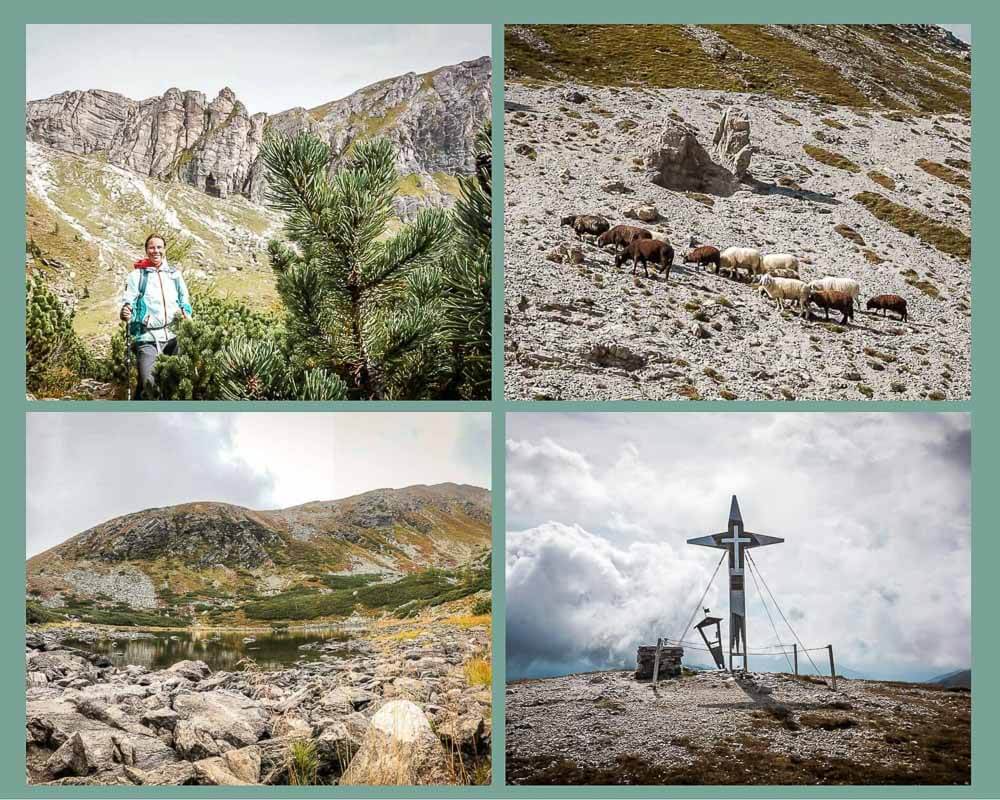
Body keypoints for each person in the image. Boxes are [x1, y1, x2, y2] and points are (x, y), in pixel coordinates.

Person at [120, 234, 192, 399]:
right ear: (146, 250)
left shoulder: (174, 274)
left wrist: (186, 314)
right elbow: (128, 301)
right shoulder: (137, 276)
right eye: (152, 247)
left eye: (159, 247)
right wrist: (125, 311)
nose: (156, 251)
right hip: (147, 337)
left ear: (164, 249)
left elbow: (184, 299)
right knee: (149, 384)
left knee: (175, 385)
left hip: (175, 336)